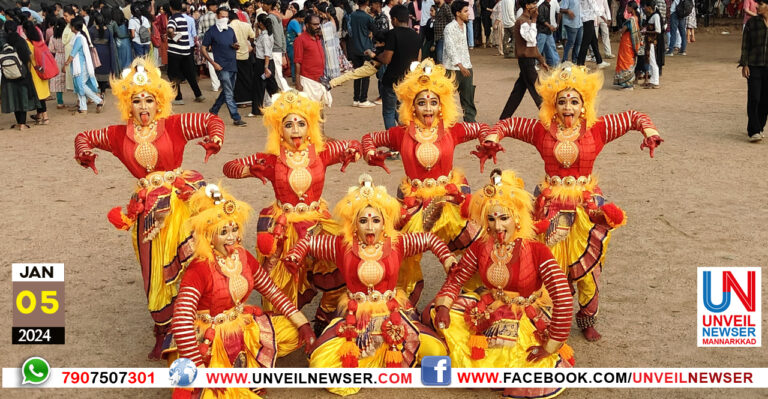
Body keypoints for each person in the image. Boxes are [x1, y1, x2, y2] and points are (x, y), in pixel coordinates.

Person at [477, 63, 664, 341]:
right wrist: (492, 138)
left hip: (586, 209)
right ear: (552, 105)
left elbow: (635, 116)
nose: (568, 107)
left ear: (584, 105)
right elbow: (509, 123)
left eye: (574, 101)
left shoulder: (597, 129)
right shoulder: (541, 130)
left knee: (588, 269)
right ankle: (550, 316)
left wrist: (650, 132)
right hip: (549, 207)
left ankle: (587, 318)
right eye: (562, 101)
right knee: (548, 266)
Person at [73, 58, 226, 359]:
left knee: (194, 260)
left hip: (181, 201)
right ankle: (165, 330)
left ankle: (199, 322)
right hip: (148, 212)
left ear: (160, 103)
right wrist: (84, 152)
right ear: (128, 106)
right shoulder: (118, 135)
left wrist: (216, 138)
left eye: (149, 100)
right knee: (154, 269)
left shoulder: (175, 125)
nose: (144, 106)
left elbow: (211, 121)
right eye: (137, 101)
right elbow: (84, 137)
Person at [284, 174, 451, 396]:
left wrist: (448, 259)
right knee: (318, 364)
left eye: (376, 221)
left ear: (384, 223)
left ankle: (375, 362)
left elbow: (430, 239)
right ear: (354, 225)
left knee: (436, 352)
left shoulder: (397, 243)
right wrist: (296, 255)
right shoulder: (341, 246)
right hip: (354, 320)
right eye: (363, 221)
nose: (370, 227)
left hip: (393, 317)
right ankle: (373, 363)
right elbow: (309, 240)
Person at [222, 90, 362, 335]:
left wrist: (356, 152)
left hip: (318, 224)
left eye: (301, 123)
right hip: (284, 227)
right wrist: (250, 169)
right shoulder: (271, 159)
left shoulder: (321, 152)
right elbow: (229, 167)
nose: (295, 130)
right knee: (281, 282)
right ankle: (290, 324)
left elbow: (353, 145)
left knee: (337, 273)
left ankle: (324, 317)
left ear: (310, 127)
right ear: (279, 130)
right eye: (288, 125)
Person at [430, 169, 574, 399]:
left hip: (525, 317)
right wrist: (444, 307)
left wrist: (550, 346)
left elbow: (563, 297)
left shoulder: (537, 250)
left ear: (517, 217)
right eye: (491, 219)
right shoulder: (480, 247)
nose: (497, 226)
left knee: (527, 369)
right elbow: (457, 278)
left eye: (503, 218)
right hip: (488, 311)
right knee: (435, 313)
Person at [165, 184, 315, 399]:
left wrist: (304, 325)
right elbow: (181, 321)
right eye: (223, 232)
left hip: (241, 327)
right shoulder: (199, 268)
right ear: (208, 235)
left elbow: (272, 291)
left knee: (292, 331)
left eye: (234, 229)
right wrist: (198, 367)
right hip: (209, 339)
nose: (231, 237)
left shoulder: (243, 257)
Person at [361, 59, 488, 305]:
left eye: (433, 102)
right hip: (414, 203)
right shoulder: (400, 134)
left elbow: (482, 128)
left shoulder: (451, 130)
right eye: (421, 103)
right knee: (403, 253)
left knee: (473, 241)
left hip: (449, 200)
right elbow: (370, 138)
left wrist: (488, 142)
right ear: (412, 106)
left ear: (441, 105)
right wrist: (369, 152)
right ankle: (402, 303)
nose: (428, 108)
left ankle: (473, 294)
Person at [368, 4, 421, 129]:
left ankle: (392, 139)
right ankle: (404, 136)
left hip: (392, 80)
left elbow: (386, 59)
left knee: (389, 112)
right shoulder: (416, 35)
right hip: (408, 81)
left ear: (395, 19)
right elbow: (418, 60)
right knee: (402, 112)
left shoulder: (393, 34)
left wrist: (374, 56)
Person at [498, 0, 548, 119]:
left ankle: (504, 118)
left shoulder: (527, 20)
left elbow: (532, 45)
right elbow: (530, 38)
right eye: (533, 4)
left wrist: (541, 59)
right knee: (538, 90)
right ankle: (550, 117)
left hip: (528, 60)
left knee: (518, 91)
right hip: (526, 61)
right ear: (527, 6)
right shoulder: (523, 21)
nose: (535, 6)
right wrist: (534, 20)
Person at [201, 7, 247, 126]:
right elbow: (203, 48)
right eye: (222, 16)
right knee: (229, 93)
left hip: (232, 64)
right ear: (217, 16)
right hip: (221, 66)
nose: (225, 19)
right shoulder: (211, 32)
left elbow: (235, 43)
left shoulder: (230, 30)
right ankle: (236, 117)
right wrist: (213, 63)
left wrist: (235, 46)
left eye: (226, 17)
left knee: (227, 91)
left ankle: (214, 110)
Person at [1, 20, 41, 130]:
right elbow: (28, 57)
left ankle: (18, 122)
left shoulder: (3, 42)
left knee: (13, 97)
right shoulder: (21, 40)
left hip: (7, 75)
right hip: (22, 74)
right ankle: (22, 124)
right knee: (22, 97)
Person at [443, 0, 478, 122]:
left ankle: (470, 122)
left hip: (466, 66)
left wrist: (466, 66)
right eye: (465, 11)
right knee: (447, 98)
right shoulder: (449, 28)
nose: (468, 13)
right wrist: (460, 66)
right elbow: (450, 49)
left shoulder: (465, 26)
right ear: (458, 13)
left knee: (468, 97)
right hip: (452, 68)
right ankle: (446, 123)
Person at [167, 0, 205, 106]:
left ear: (171, 8)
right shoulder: (184, 18)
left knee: (173, 74)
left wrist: (172, 37)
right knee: (190, 73)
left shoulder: (172, 18)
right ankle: (198, 94)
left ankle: (178, 97)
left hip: (175, 51)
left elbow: (170, 30)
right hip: (186, 49)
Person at [739, 0, 768, 142]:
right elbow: (745, 45)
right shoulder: (752, 23)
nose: (756, 6)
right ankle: (753, 130)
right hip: (754, 65)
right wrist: (744, 64)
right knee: (754, 97)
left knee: (765, 100)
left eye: (760, 4)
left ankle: (760, 126)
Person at [65, 18, 104, 114]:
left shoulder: (79, 38)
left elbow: (73, 53)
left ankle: (98, 100)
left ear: (73, 27)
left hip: (81, 66)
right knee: (80, 86)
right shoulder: (79, 37)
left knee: (81, 85)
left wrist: (66, 64)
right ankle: (83, 108)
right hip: (80, 66)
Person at [294, 14, 333, 106]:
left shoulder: (318, 38)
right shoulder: (300, 40)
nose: (317, 26)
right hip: (307, 80)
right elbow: (297, 62)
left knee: (321, 108)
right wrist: (298, 83)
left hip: (320, 79)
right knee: (309, 109)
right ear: (307, 25)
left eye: (318, 24)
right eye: (314, 24)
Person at [22, 20, 51, 125]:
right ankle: (39, 115)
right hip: (42, 70)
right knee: (41, 94)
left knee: (39, 95)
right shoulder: (39, 41)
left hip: (34, 71)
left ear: (25, 30)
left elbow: (28, 58)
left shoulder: (27, 43)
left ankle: (45, 117)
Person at [349, 0, 377, 107]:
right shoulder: (368, 17)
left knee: (357, 73)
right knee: (365, 74)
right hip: (365, 48)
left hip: (354, 48)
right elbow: (375, 31)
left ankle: (356, 98)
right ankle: (363, 99)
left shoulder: (352, 15)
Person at [251, 13, 279, 115]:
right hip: (263, 61)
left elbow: (267, 53)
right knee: (268, 86)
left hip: (264, 62)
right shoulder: (265, 34)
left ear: (260, 23)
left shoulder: (266, 36)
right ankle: (260, 108)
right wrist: (256, 29)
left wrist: (266, 67)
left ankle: (257, 109)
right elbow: (256, 41)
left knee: (262, 86)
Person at [229, 9, 256, 107]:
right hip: (246, 54)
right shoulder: (246, 25)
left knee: (237, 80)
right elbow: (253, 37)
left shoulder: (228, 27)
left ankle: (240, 101)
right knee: (247, 77)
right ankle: (249, 99)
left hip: (234, 56)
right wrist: (249, 45)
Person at [613, 1, 641, 89]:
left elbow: (623, 30)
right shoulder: (637, 18)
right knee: (630, 62)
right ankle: (629, 82)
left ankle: (628, 84)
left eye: (627, 7)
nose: (626, 9)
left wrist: (620, 30)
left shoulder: (630, 20)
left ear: (631, 8)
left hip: (627, 43)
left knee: (625, 62)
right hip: (632, 44)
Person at [88, 13, 117, 96]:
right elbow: (111, 44)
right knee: (104, 72)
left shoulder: (92, 30)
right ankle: (103, 91)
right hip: (106, 53)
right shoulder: (108, 30)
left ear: (95, 21)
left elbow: (89, 42)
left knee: (96, 71)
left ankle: (97, 91)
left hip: (95, 53)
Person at [265, 0, 291, 91]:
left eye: (264, 4)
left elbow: (276, 35)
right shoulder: (276, 16)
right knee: (276, 73)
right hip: (278, 48)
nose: (262, 6)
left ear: (269, 5)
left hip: (275, 49)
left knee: (277, 74)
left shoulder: (271, 17)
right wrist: (282, 50)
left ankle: (287, 92)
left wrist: (280, 49)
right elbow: (281, 34)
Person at [576, 0, 609, 67]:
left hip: (586, 19)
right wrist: (604, 18)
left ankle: (599, 61)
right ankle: (580, 63)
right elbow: (595, 7)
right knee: (585, 43)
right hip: (589, 19)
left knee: (594, 42)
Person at [198, 0, 221, 92]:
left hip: (207, 45)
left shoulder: (202, 18)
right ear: (211, 6)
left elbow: (199, 33)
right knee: (220, 63)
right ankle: (221, 83)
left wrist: (206, 40)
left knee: (212, 65)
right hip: (218, 44)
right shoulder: (217, 17)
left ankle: (215, 86)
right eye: (215, 6)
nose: (216, 7)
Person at [48, 17, 67, 109]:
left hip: (58, 58)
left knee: (58, 80)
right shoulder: (67, 37)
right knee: (71, 79)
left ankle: (60, 102)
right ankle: (79, 101)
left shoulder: (53, 37)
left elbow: (51, 49)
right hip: (67, 57)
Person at [643, 0, 662, 89]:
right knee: (650, 60)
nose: (644, 8)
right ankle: (652, 80)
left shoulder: (656, 16)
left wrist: (646, 32)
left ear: (649, 7)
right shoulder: (651, 16)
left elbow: (658, 30)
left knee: (653, 61)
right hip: (649, 41)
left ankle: (655, 81)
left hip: (652, 42)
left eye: (645, 7)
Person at [537, 0, 561, 67]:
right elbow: (541, 19)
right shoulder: (542, 6)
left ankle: (554, 62)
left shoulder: (547, 5)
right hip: (542, 30)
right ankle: (534, 63)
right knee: (539, 48)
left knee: (551, 46)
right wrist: (550, 26)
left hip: (547, 30)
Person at [286, 9, 304, 83]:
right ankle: (295, 79)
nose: (303, 21)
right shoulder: (295, 22)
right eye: (303, 19)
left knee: (294, 61)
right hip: (292, 45)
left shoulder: (294, 21)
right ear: (299, 17)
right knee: (295, 62)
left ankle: (295, 79)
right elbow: (300, 35)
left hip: (291, 44)